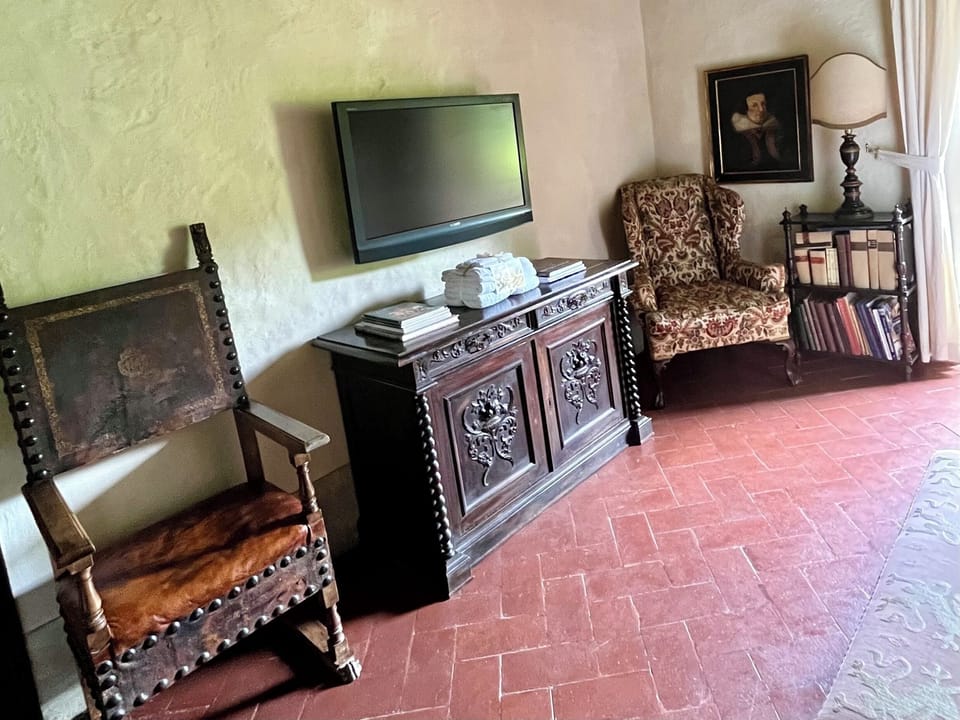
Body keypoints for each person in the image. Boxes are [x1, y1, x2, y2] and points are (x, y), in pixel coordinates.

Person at [729, 92, 783, 169]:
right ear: (745, 110)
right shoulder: (737, 135)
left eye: (763, 104)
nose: (761, 109)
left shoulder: (776, 127)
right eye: (754, 105)